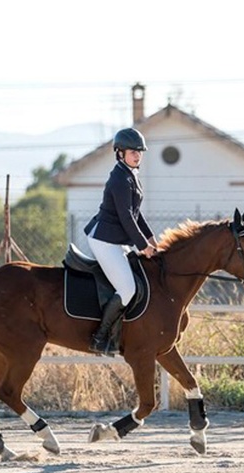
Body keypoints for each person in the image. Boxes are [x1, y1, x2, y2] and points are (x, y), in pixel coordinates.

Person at [83, 127, 158, 355]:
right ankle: (99, 338)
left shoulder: (130, 175)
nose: (137, 155)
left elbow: (136, 214)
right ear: (120, 153)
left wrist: (151, 238)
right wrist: (142, 245)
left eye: (139, 152)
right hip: (104, 240)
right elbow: (126, 217)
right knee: (127, 289)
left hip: (115, 238)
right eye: (132, 151)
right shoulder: (119, 178)